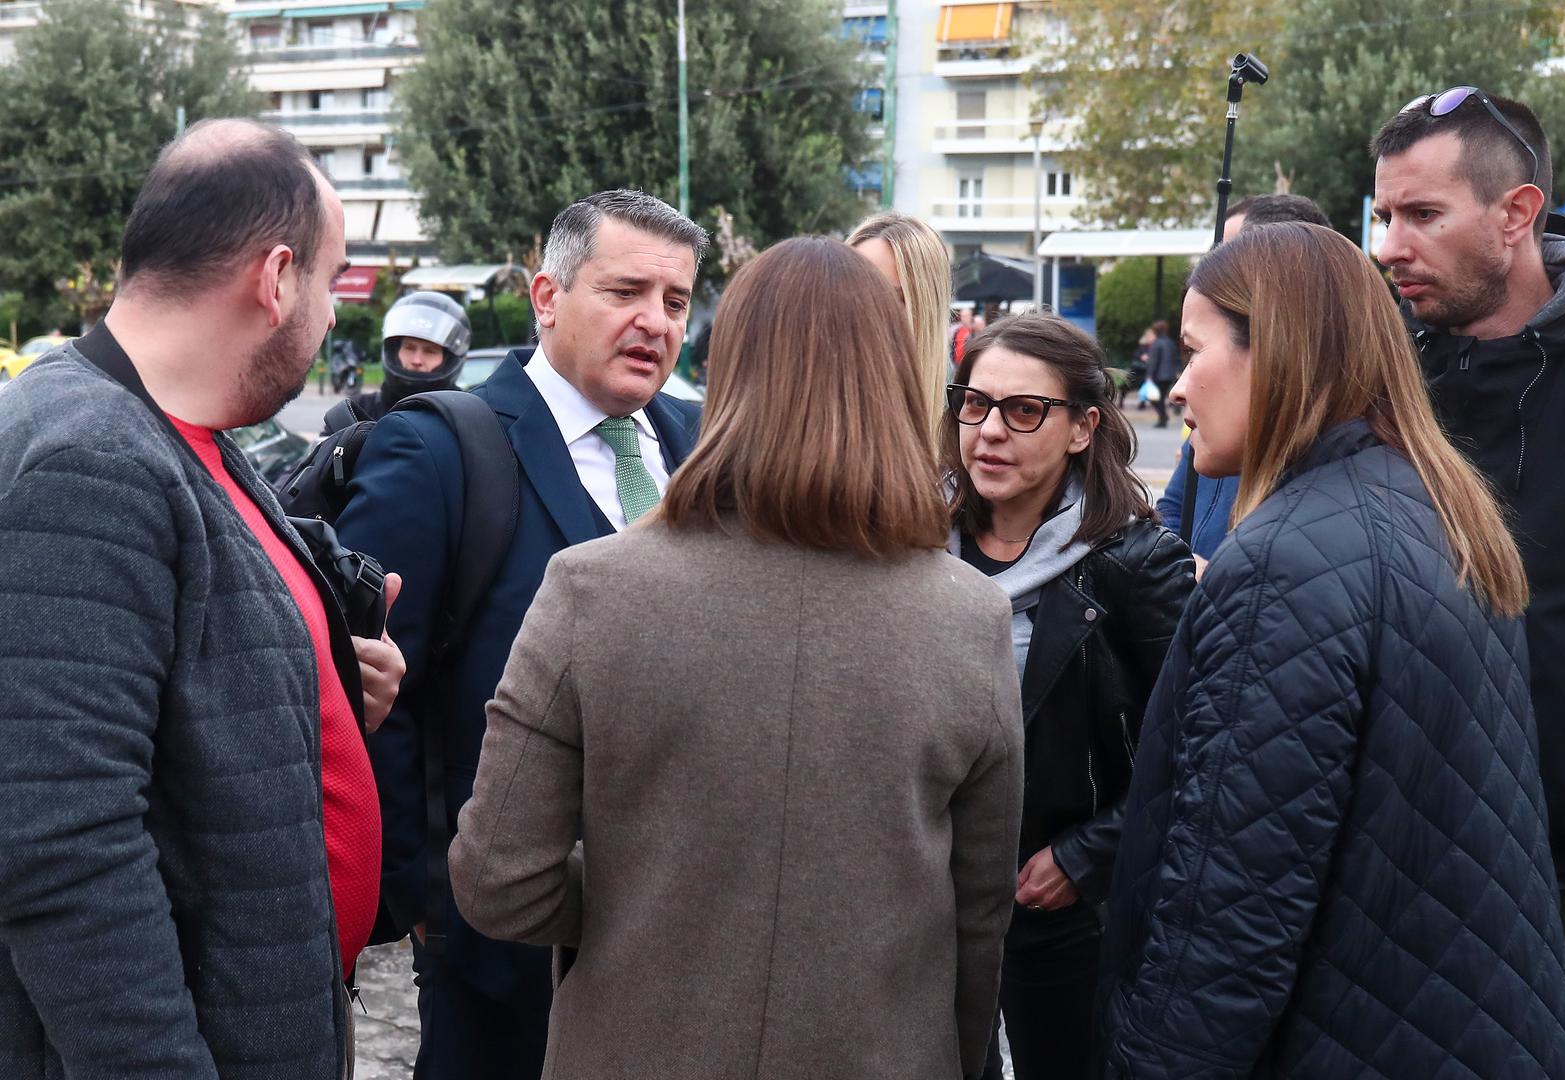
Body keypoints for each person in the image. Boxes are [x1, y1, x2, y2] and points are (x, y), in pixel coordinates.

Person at [448, 236, 1023, 1080]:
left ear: (726, 368)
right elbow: (978, 918)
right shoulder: (969, 617)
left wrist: (644, 891)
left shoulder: (591, 590)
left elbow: (499, 877)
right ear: (892, 375)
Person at [1100, 222, 1565, 1078]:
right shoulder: (1434, 508)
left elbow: (1228, 921)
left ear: (1274, 353)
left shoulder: (1282, 566)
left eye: (1196, 350)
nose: (1173, 387)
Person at [0, 119, 404, 1079]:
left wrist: (326, 686)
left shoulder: (188, 432)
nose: (333, 318)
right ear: (274, 279)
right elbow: (62, 848)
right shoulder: (92, 459)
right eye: (330, 280)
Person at [334, 189, 707, 1079]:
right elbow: (374, 691)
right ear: (546, 297)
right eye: (624, 293)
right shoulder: (440, 450)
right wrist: (427, 897)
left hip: (681, 924)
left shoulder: (699, 447)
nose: (653, 322)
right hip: (505, 947)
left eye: (676, 302)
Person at [1372, 88, 1565, 1069]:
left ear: (1515, 214)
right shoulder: (1382, 376)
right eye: (1383, 215)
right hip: (1417, 870)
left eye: (1420, 215)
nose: (1389, 244)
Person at [943, 313, 1193, 1080]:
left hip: (1057, 907)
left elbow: (1192, 748)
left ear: (1082, 428)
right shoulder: (911, 541)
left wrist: (1087, 858)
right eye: (974, 404)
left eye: (1023, 411)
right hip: (929, 897)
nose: (989, 431)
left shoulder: (1134, 564)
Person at [1158, 193, 1332, 565]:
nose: (1217, 273)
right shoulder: (1214, 430)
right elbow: (1170, 511)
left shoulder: (1310, 527)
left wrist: (1216, 583)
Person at [848, 211, 953, 401]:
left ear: (926, 308)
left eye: (890, 300)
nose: (863, 313)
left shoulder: (962, 417)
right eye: (853, 295)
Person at [328, 290, 471, 428]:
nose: (416, 360)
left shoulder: (467, 415)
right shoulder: (355, 412)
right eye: (409, 348)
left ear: (449, 359)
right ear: (394, 351)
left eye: (430, 351)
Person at [1144, 318, 1178, 427]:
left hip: (1158, 375)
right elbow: (1175, 359)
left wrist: (1149, 375)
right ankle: (1163, 417)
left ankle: (1163, 418)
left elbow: (1153, 361)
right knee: (1161, 397)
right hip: (1170, 375)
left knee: (1154, 398)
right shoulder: (1170, 343)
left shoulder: (1156, 344)